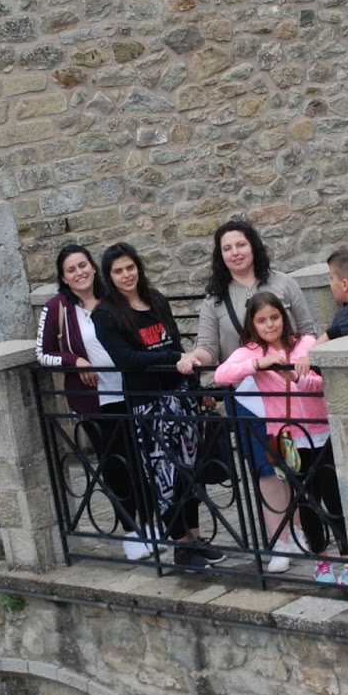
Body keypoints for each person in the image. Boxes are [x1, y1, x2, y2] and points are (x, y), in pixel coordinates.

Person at [179, 219, 317, 569]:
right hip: (248, 396)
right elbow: (209, 347)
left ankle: (300, 532)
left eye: (240, 245)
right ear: (220, 255)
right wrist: (193, 358)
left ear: (253, 245)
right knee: (266, 468)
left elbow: (308, 332)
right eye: (227, 248)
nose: (235, 253)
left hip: (288, 391)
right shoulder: (215, 299)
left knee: (293, 463)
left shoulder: (283, 284)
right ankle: (280, 540)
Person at [92, 242, 227, 571]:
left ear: (138, 267)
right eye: (118, 271)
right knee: (166, 476)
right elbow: (127, 359)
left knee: (190, 473)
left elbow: (177, 344)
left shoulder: (156, 300)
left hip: (179, 397)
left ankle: (195, 539)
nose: (126, 275)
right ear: (109, 276)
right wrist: (172, 358)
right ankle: (180, 546)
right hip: (148, 406)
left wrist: (195, 389)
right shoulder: (105, 314)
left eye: (130, 267)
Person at [213, 292, 348, 587]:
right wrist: (258, 364)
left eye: (274, 318)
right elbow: (222, 375)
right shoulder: (250, 352)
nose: (270, 325)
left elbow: (327, 381)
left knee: (335, 498)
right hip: (289, 439)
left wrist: (298, 378)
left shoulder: (306, 344)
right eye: (262, 320)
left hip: (321, 433)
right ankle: (321, 559)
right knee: (306, 501)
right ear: (253, 324)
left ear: (283, 317)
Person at [35, 245, 153, 560]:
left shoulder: (112, 298)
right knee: (115, 464)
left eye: (83, 265)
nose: (79, 273)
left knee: (142, 458)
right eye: (71, 269)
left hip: (131, 392)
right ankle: (132, 530)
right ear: (63, 277)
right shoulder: (58, 307)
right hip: (95, 401)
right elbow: (42, 354)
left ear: (93, 267)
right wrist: (75, 361)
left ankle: (151, 523)